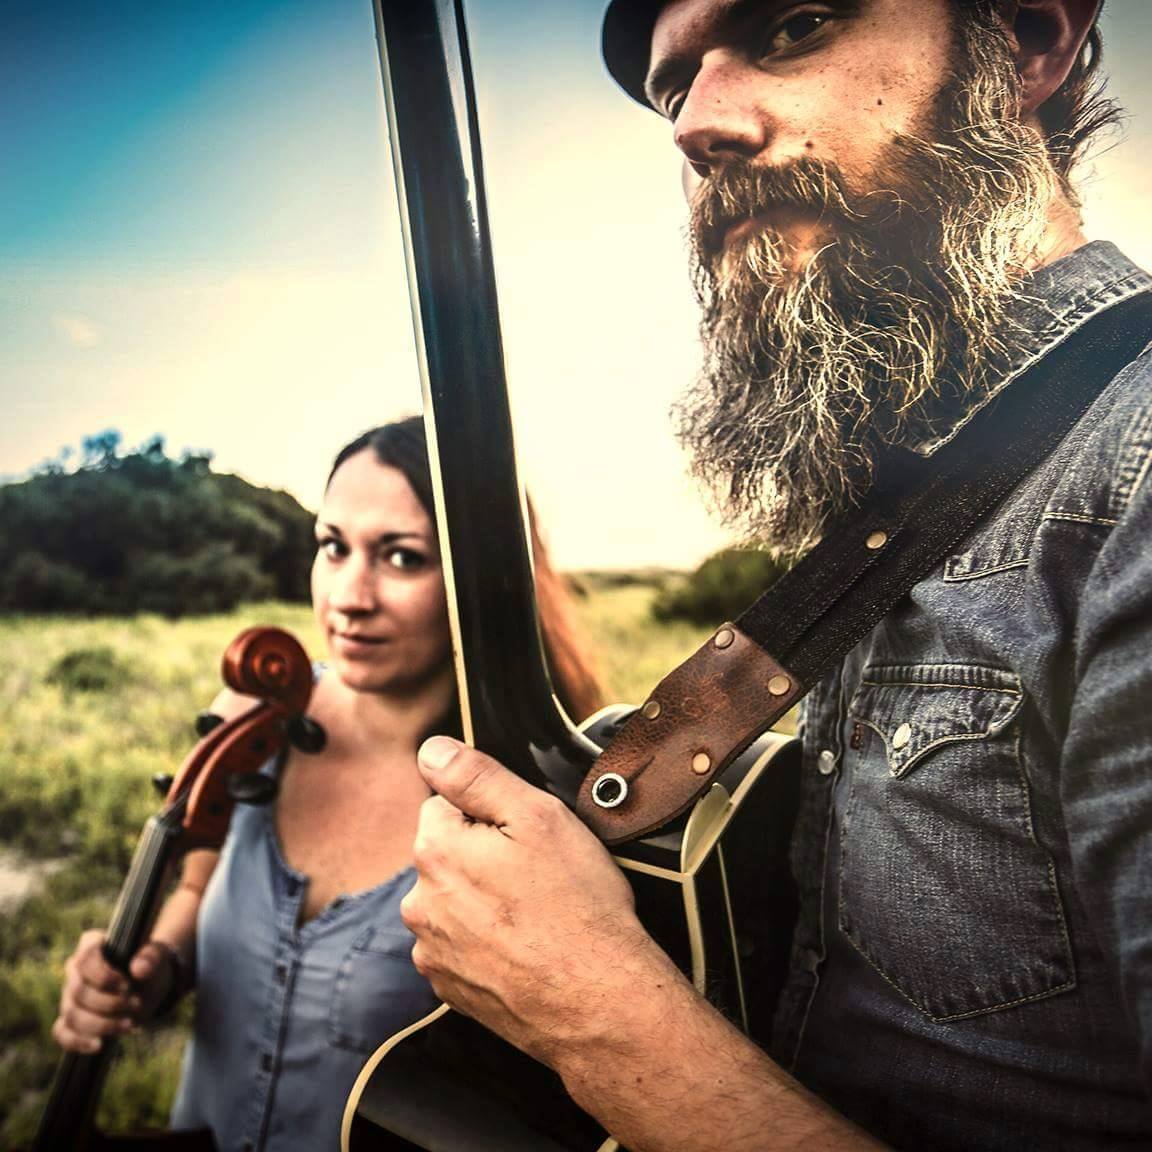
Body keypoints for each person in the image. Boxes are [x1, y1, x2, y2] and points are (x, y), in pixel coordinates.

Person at [396, 2, 1152, 1150]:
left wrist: (597, 1014)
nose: (696, 124)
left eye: (793, 27)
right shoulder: (903, 488)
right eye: (672, 88)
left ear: (1028, 44)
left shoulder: (1130, 469)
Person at [49, 416, 602, 1151]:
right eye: (332, 546)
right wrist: (153, 970)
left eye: (401, 558)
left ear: (482, 579)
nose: (349, 595)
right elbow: (194, 892)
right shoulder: (255, 720)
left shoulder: (526, 810)